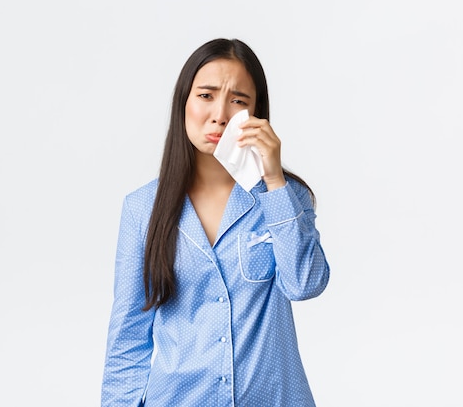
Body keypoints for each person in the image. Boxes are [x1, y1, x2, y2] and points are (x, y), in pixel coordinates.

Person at [101, 38, 330, 407]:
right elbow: (128, 338)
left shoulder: (286, 198)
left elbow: (304, 284)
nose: (220, 114)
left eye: (238, 100)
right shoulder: (142, 209)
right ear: (184, 103)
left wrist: (273, 180)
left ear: (257, 113)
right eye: (206, 96)